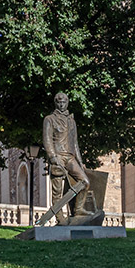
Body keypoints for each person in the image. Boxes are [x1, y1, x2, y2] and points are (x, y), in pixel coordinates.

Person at [43, 92, 92, 225]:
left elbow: (75, 143)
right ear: (56, 103)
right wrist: (53, 157)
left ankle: (78, 209)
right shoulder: (49, 119)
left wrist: (80, 162)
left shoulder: (71, 121)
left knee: (85, 182)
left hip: (70, 158)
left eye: (64, 102)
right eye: (59, 102)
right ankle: (60, 219)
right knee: (57, 192)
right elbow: (47, 140)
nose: (62, 104)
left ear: (67, 103)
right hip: (58, 156)